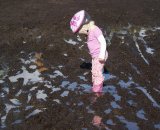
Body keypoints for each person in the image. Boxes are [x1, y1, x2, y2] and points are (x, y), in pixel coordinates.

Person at [70, 10, 108, 92]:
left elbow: (103, 42)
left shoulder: (95, 29)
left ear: (85, 25)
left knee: (97, 73)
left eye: (81, 31)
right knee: (94, 70)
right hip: (95, 56)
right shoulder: (89, 31)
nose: (82, 33)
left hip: (100, 55)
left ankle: (97, 90)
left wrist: (101, 55)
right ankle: (96, 84)